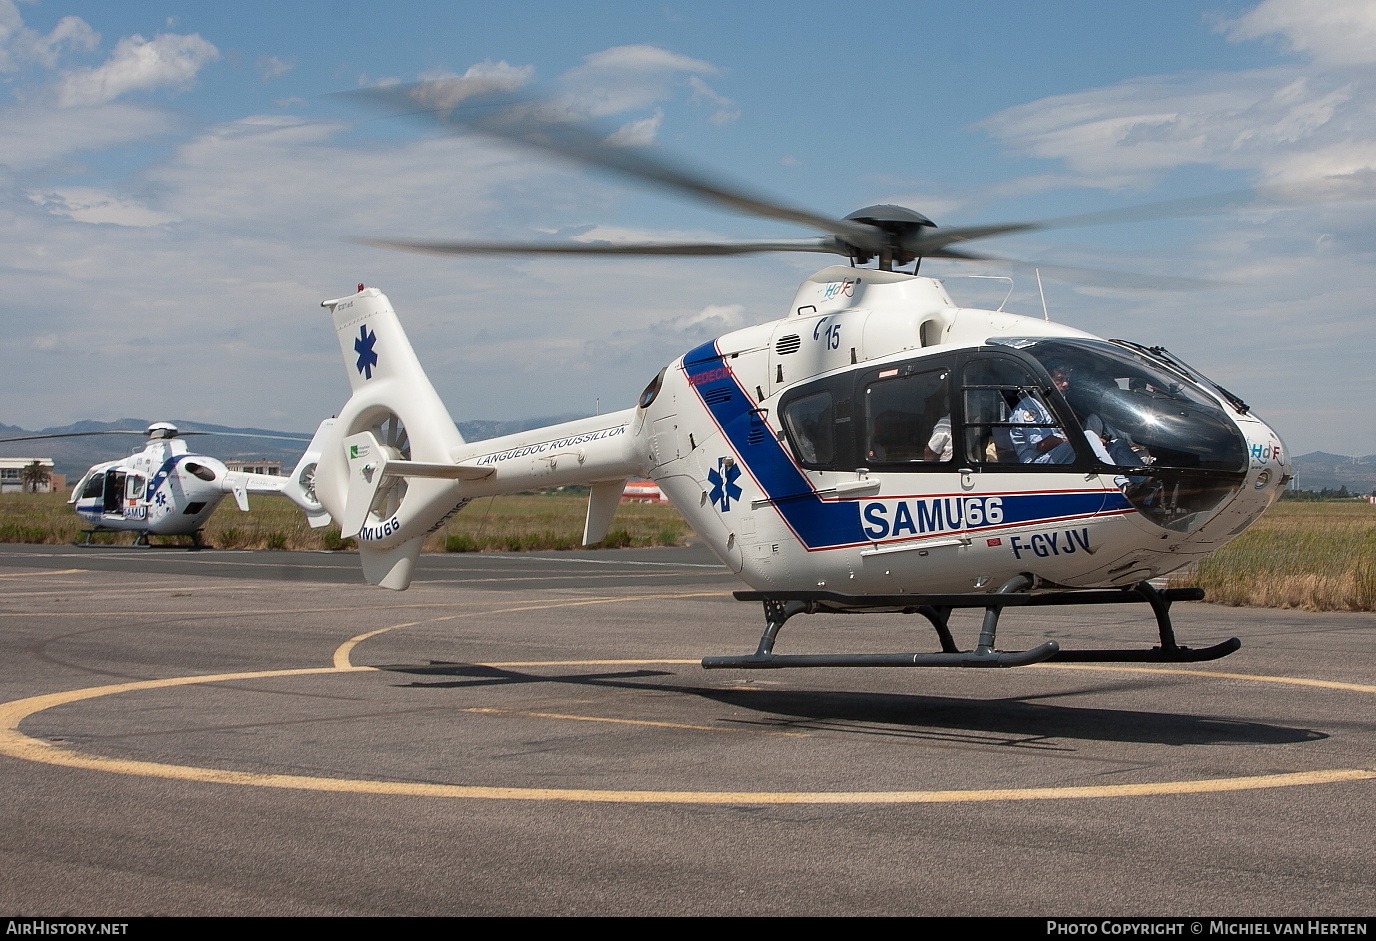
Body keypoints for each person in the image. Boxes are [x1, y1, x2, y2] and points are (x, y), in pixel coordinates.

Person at [1009, 361, 1116, 465]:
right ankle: (1117, 481)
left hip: (1058, 455)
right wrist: (1079, 442)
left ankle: (1130, 481)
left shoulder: (1055, 404)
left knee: (1116, 445)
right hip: (1038, 461)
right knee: (1088, 437)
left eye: (1067, 379)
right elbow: (1042, 444)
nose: (1065, 384)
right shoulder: (1030, 406)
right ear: (1046, 381)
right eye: (1060, 379)